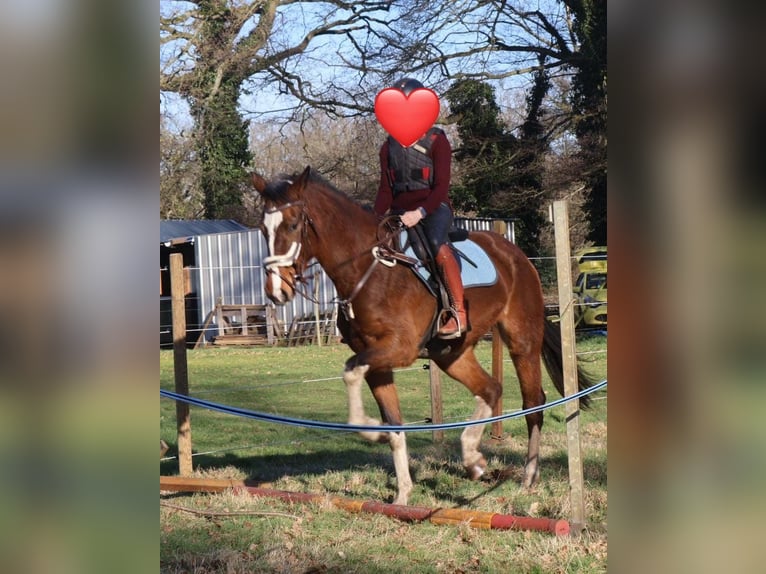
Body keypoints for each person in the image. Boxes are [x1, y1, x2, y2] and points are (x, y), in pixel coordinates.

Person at [373, 77, 466, 339]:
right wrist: (375, 218)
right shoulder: (387, 147)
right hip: (398, 211)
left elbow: (441, 187)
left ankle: (458, 312)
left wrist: (420, 213)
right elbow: (385, 190)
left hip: (433, 208)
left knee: (435, 243)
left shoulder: (438, 141)